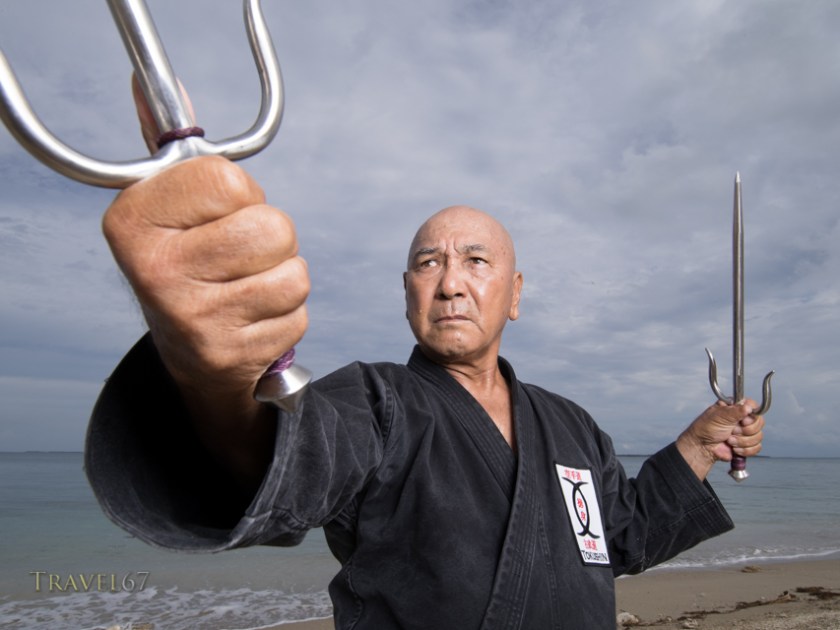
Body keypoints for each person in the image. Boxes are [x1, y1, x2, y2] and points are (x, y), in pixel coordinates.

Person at [85, 99, 764, 630]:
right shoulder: (375, 404)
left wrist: (699, 446)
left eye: (475, 260)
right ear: (407, 292)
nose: (450, 283)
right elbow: (282, 471)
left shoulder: (571, 427)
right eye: (428, 263)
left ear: (515, 295)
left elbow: (622, 537)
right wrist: (214, 378)